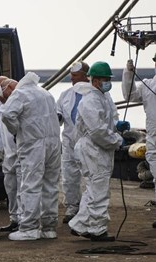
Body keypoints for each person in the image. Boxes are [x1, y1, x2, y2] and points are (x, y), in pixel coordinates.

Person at [0, 72, 61, 241]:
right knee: (50, 185)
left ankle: (29, 228)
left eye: (1, 94)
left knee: (30, 184)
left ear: (9, 87)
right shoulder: (45, 93)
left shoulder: (20, 93)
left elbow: (6, 114)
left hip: (33, 144)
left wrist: (16, 129)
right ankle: (49, 228)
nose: (2, 99)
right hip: (54, 144)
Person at [69, 61, 126, 241]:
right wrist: (117, 140)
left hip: (96, 150)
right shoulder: (91, 100)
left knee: (93, 189)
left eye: (108, 79)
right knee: (99, 191)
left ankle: (81, 224)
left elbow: (103, 124)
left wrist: (116, 126)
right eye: (104, 79)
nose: (107, 82)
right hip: (93, 150)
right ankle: (97, 229)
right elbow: (97, 131)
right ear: (95, 81)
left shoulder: (101, 98)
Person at [122, 54, 156, 228]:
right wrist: (128, 75)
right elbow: (131, 95)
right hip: (154, 136)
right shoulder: (148, 85)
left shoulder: (149, 85)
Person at [56, 61, 90, 224]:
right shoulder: (65, 95)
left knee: (88, 177)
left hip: (88, 142)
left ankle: (86, 209)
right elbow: (59, 112)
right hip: (69, 142)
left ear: (85, 76)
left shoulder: (94, 94)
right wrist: (57, 117)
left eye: (75, 76)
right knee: (69, 176)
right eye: (71, 76)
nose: (72, 79)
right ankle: (71, 208)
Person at [0, 75, 21, 232]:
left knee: (25, 186)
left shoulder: (22, 97)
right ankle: (15, 218)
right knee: (10, 186)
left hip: (24, 150)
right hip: (9, 153)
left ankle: (26, 219)